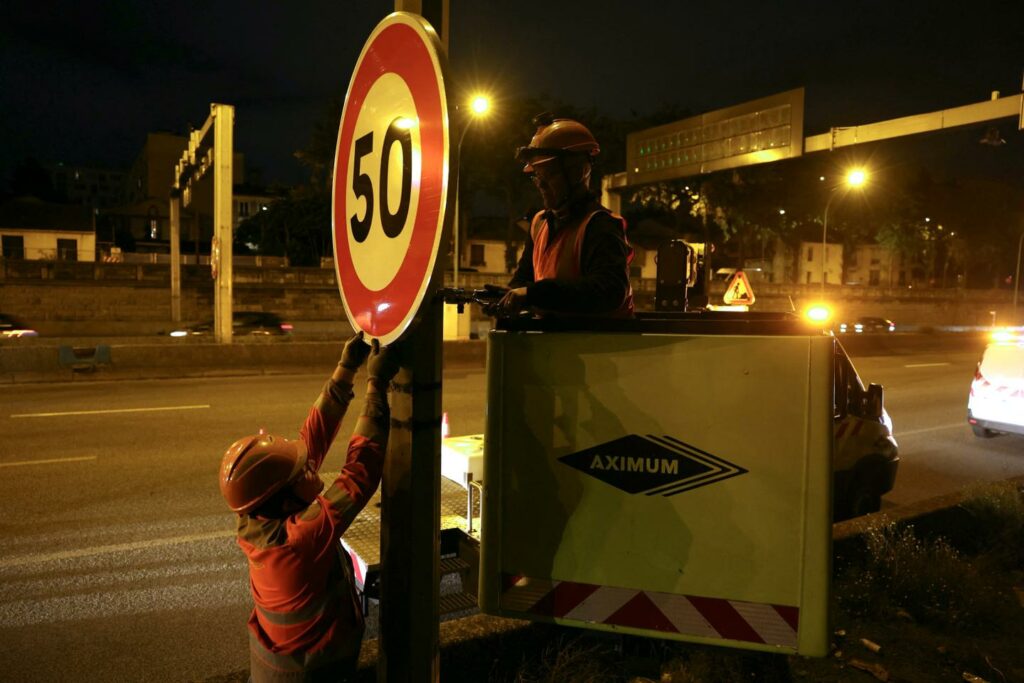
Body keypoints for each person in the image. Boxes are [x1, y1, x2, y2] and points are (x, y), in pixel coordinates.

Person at [218, 332, 401, 683]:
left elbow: (309, 442)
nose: (309, 466)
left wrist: (345, 368)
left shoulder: (262, 513)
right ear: (284, 495)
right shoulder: (299, 540)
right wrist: (376, 386)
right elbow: (359, 474)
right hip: (312, 674)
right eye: (300, 471)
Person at [494, 113, 634, 318]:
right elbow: (524, 281)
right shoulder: (539, 223)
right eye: (536, 176)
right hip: (559, 347)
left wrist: (533, 294)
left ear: (578, 171)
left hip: (601, 347)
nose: (540, 184)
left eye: (548, 174)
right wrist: (507, 298)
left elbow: (609, 291)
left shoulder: (601, 225)